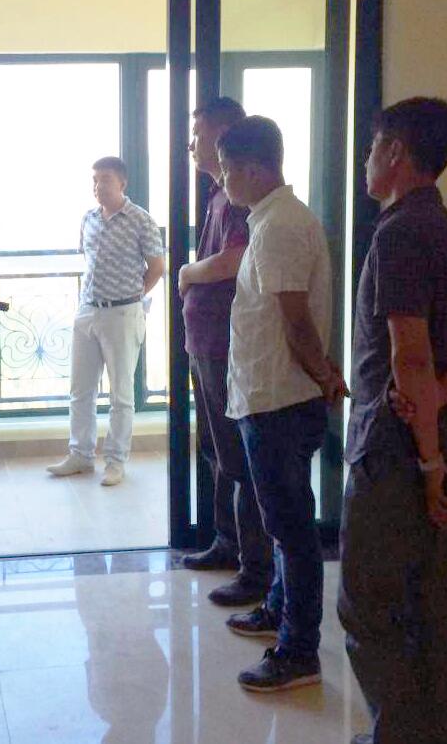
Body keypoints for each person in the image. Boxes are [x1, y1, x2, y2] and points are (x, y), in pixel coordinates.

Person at [338, 98, 447, 744]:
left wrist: (428, 460)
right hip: (444, 438)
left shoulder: (398, 234)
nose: (367, 161)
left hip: (397, 454)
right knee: (428, 602)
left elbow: (410, 356)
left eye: (372, 148)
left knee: (368, 607)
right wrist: (435, 397)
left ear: (395, 153)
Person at [216, 116, 347, 693]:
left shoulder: (280, 227)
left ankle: (298, 650)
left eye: (226, 169)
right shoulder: (270, 220)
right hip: (267, 395)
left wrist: (325, 377)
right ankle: (277, 608)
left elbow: (296, 321)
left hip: (280, 402)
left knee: (292, 529)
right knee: (282, 520)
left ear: (253, 169)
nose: (222, 179)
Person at [179, 98, 274, 607]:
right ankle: (226, 542)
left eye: (197, 133)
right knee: (217, 450)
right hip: (207, 341)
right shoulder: (219, 194)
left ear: (222, 133)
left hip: (224, 344)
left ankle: (251, 564)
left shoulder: (240, 199)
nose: (191, 144)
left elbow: (235, 258)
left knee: (236, 456)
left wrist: (187, 272)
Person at [47, 156, 165, 486]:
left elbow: (157, 267)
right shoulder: (89, 218)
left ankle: (115, 461)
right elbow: (89, 261)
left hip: (123, 313)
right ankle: (81, 455)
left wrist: (133, 295)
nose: (98, 185)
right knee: (80, 389)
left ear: (122, 183)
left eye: (106, 179)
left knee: (121, 394)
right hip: (88, 310)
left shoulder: (141, 220)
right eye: (95, 179)